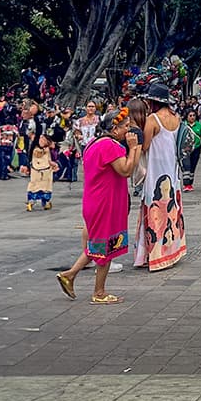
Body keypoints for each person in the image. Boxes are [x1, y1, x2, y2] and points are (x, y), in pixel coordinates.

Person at [55, 107, 143, 304]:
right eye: (125, 127)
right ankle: (99, 292)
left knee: (100, 244)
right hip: (105, 203)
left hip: (97, 201)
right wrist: (135, 147)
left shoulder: (95, 143)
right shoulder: (110, 146)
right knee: (104, 246)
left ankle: (70, 275)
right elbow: (127, 170)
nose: (128, 131)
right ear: (114, 128)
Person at [135, 83, 186, 270]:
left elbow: (145, 146)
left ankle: (154, 255)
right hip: (171, 171)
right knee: (171, 210)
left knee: (154, 210)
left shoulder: (153, 119)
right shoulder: (176, 117)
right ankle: (172, 250)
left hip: (155, 171)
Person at [179, 107, 201, 192]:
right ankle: (186, 184)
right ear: (187, 116)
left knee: (193, 166)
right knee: (187, 166)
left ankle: (190, 184)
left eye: (194, 115)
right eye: (190, 115)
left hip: (196, 148)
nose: (192, 117)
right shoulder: (183, 125)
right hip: (185, 149)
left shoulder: (199, 125)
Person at [26, 133, 59, 211]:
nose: (41, 140)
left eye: (44, 139)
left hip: (46, 171)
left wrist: (54, 164)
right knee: (34, 185)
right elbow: (29, 157)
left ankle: (46, 202)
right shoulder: (34, 147)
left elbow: (53, 158)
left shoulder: (49, 149)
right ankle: (31, 202)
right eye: (40, 138)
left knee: (46, 186)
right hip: (35, 170)